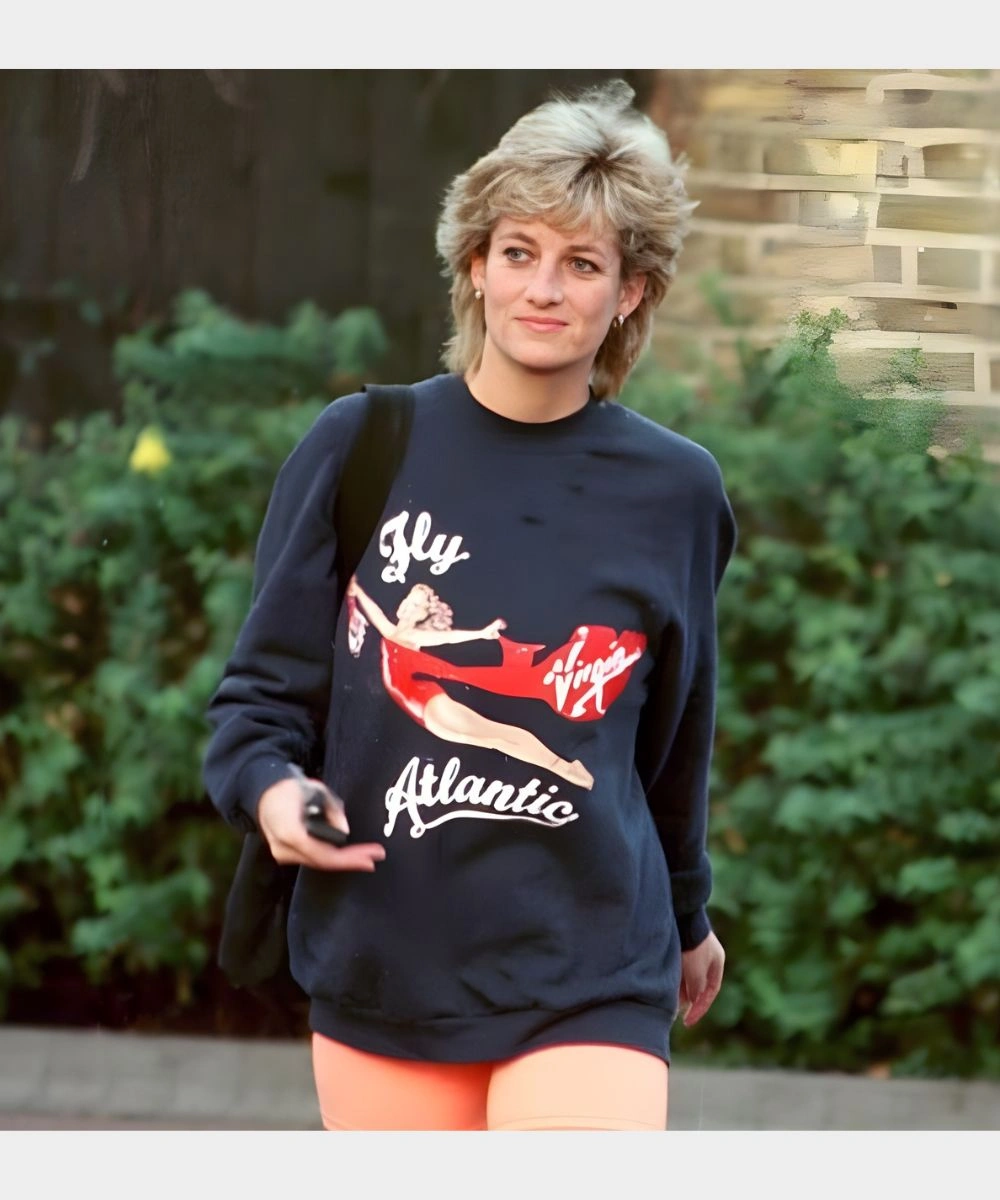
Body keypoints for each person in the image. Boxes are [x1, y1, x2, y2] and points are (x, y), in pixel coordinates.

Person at [203, 78, 737, 1131]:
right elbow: (260, 698)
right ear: (476, 267)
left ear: (629, 291)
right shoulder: (363, 446)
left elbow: (674, 737)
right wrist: (271, 796)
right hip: (386, 959)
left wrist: (686, 912)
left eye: (582, 263)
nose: (544, 288)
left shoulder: (676, 490)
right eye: (519, 252)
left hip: (592, 963)